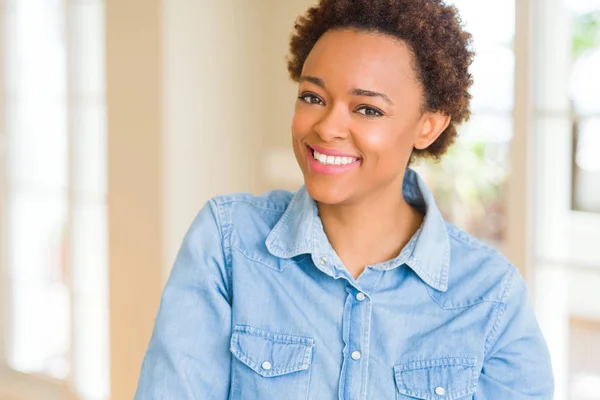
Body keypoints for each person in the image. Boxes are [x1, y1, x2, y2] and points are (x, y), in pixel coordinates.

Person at [135, 0, 554, 398]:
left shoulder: (491, 297)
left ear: (428, 126)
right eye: (312, 97)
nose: (327, 127)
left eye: (367, 109)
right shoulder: (228, 244)